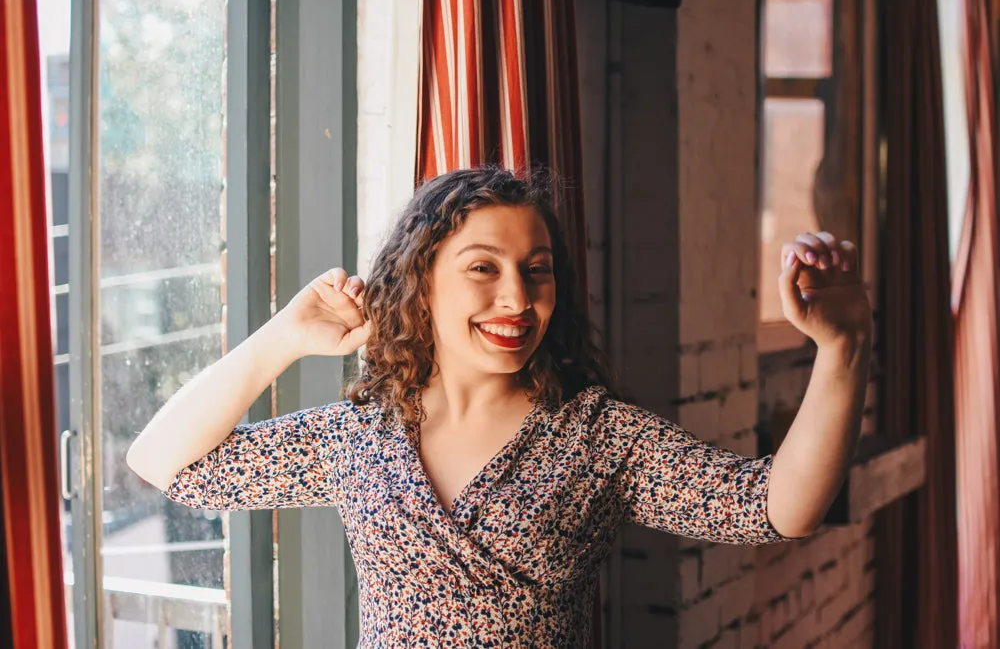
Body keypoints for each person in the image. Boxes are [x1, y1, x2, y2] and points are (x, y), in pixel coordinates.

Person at [127, 165, 872, 646]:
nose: (517, 298)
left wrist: (841, 349)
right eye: (483, 268)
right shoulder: (359, 436)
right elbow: (164, 464)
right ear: (421, 280)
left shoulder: (598, 437)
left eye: (536, 271)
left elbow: (776, 505)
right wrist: (284, 337)